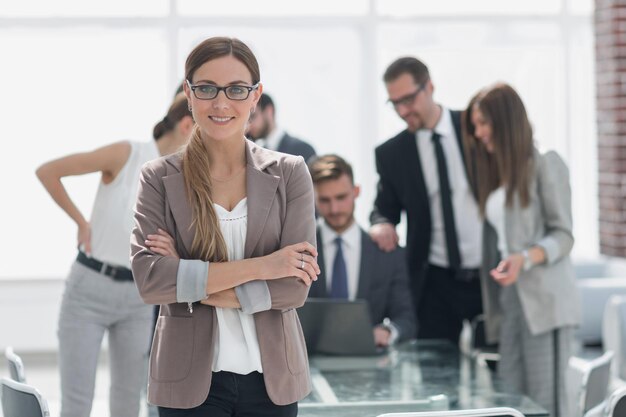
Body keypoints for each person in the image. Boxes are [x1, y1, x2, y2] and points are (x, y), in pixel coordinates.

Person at [130, 36, 319, 416]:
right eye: (206, 88)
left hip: (273, 380)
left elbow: (294, 287)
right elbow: (152, 281)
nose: (220, 103)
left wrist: (188, 277)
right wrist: (265, 266)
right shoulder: (158, 177)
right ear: (188, 93)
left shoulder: (290, 172)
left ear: (255, 96)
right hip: (188, 380)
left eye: (235, 89)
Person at [35, 93, 193, 417]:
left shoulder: (182, 178)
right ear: (187, 126)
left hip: (138, 298)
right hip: (90, 290)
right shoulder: (127, 153)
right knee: (77, 403)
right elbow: (48, 171)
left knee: (127, 403)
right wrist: (81, 222)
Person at [464, 82, 581, 417]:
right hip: (511, 301)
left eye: (483, 123)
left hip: (545, 304)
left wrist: (525, 258)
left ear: (505, 122)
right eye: (476, 125)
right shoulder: (498, 175)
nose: (478, 132)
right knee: (513, 400)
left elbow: (564, 236)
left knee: (547, 404)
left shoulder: (546, 164)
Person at [369, 56, 483, 344]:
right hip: (433, 280)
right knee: (439, 375)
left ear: (430, 87)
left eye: (408, 99)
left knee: (499, 364)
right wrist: (381, 224)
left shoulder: (474, 129)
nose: (403, 110)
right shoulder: (391, 154)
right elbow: (384, 208)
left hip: (488, 274)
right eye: (395, 103)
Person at [307, 154, 415, 346]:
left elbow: (406, 319)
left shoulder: (387, 253)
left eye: (341, 197)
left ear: (356, 191)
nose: (334, 209)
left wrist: (387, 332)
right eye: (324, 200)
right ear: (312, 199)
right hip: (308, 362)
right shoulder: (299, 250)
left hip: (370, 362)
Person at [246, 93, 316, 162]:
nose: (249, 125)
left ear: (269, 111)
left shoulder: (303, 149)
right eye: (246, 120)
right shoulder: (253, 153)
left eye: (253, 116)